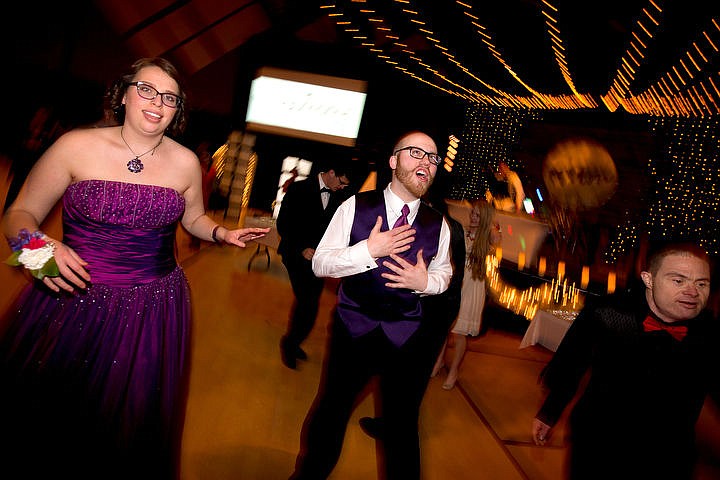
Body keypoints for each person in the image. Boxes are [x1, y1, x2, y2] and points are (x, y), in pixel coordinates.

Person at [0, 57, 269, 480]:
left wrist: (220, 234)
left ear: (177, 110)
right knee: (49, 413)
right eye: (146, 89)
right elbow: (18, 214)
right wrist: (38, 255)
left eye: (169, 98)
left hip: (153, 305)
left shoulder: (184, 162)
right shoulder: (75, 146)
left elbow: (193, 218)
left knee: (126, 421)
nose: (156, 102)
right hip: (72, 297)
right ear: (123, 93)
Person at [289, 130, 453, 480]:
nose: (427, 161)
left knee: (402, 427)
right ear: (393, 161)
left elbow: (444, 275)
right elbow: (320, 263)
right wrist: (368, 250)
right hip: (353, 330)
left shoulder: (440, 225)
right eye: (416, 153)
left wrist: (426, 284)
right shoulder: (355, 206)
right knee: (331, 413)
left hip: (407, 337)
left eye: (433, 157)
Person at [531, 240, 720, 480]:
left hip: (670, 454)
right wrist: (549, 414)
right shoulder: (608, 313)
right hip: (599, 442)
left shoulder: (709, 334)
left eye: (701, 283)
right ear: (648, 279)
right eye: (678, 280)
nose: (693, 292)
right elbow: (571, 364)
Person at [358, 174, 466, 440]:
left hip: (422, 315)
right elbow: (455, 277)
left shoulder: (433, 228)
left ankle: (393, 427)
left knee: (402, 379)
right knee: (410, 382)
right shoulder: (454, 228)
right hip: (438, 312)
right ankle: (393, 424)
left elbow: (441, 278)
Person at [276, 162, 351, 369]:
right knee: (307, 302)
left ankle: (294, 340)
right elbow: (284, 223)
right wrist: (301, 248)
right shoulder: (300, 189)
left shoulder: (337, 197)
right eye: (342, 182)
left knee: (310, 304)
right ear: (332, 171)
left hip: (317, 261)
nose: (342, 187)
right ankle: (290, 344)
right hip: (295, 254)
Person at [432, 199, 501, 390]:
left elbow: (497, 237)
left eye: (478, 215)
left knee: (460, 332)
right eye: (473, 213)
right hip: (457, 284)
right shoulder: (462, 230)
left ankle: (453, 370)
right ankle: (439, 362)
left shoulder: (487, 237)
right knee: (446, 328)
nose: (473, 217)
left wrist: (489, 226)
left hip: (473, 287)